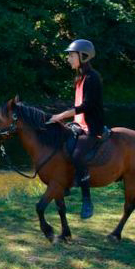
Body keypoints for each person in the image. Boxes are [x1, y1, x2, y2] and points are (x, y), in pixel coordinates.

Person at [47, 39, 105, 219]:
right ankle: (66, 185)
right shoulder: (79, 78)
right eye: (69, 55)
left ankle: (87, 200)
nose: (68, 59)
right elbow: (79, 106)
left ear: (83, 56)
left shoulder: (93, 78)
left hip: (92, 128)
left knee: (78, 155)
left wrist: (62, 115)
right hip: (79, 124)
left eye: (71, 55)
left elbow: (86, 106)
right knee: (61, 144)